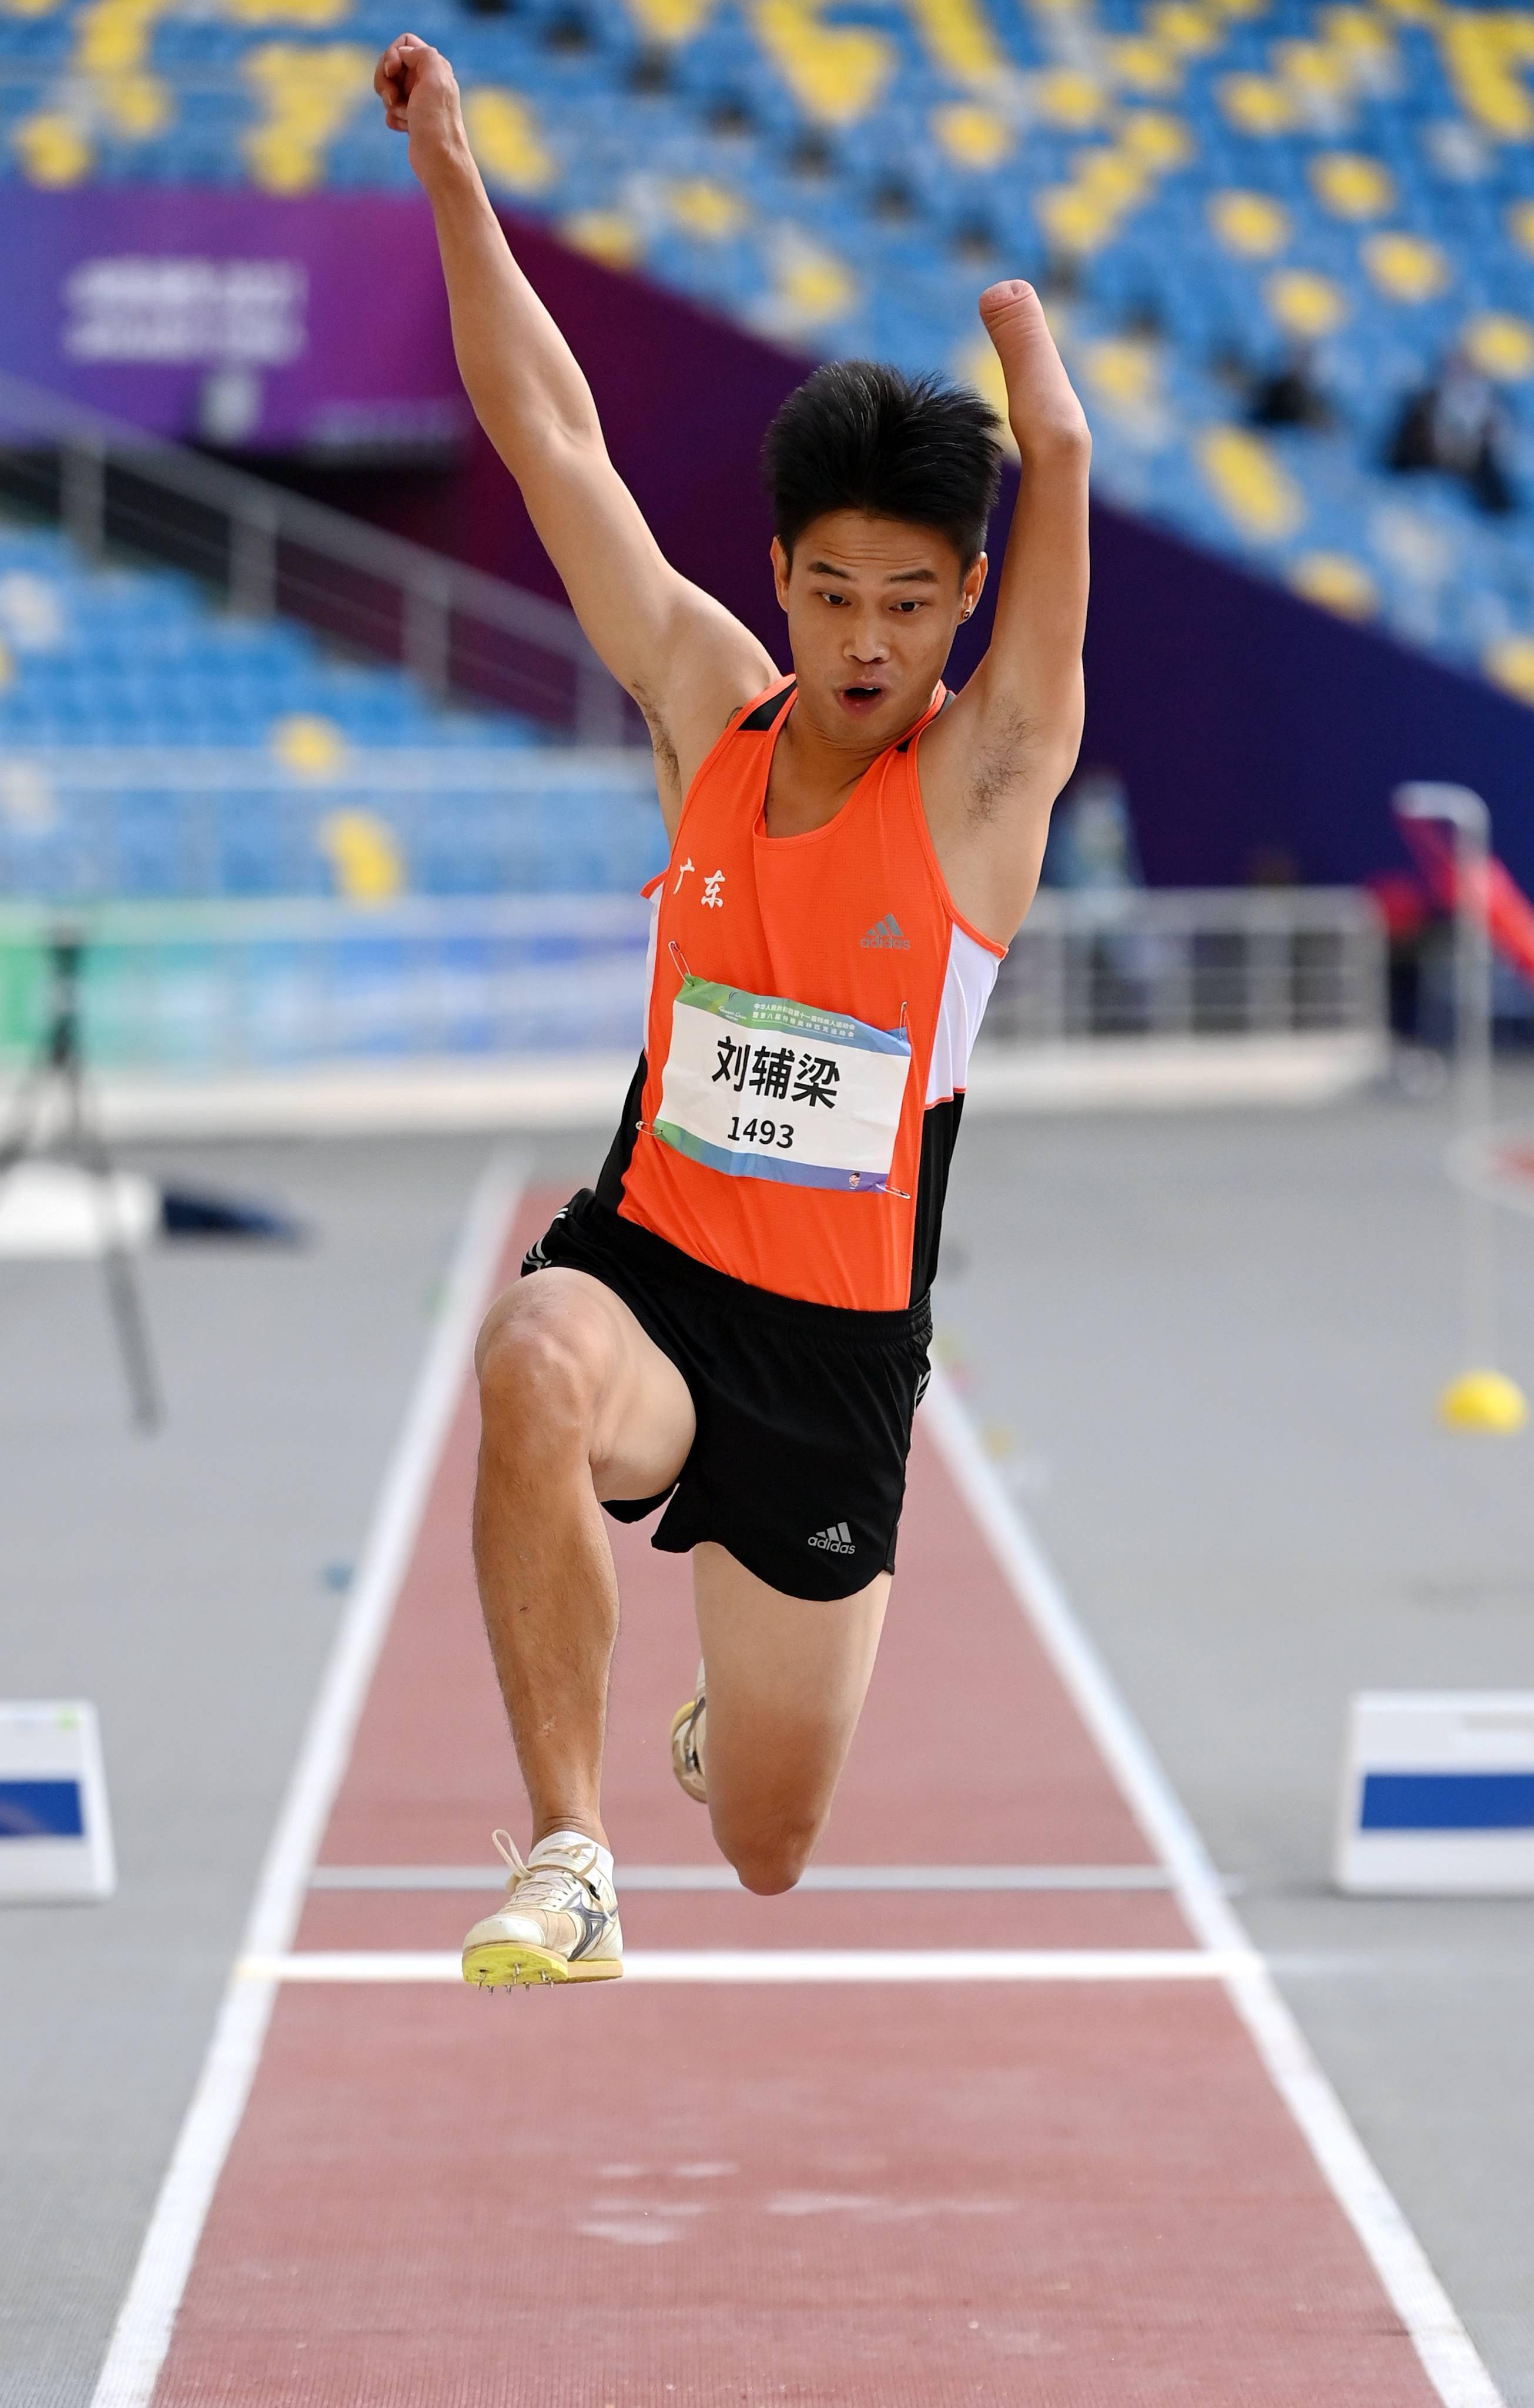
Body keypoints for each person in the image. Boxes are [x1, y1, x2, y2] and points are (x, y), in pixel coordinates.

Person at [374, 31, 1091, 1987]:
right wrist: (453, 177)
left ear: (958, 603)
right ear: (778, 577)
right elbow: (555, 441)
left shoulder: (971, 797)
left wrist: (1060, 428)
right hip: (656, 1276)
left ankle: (711, 1745)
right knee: (526, 1349)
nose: (869, 639)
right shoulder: (708, 704)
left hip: (835, 1364)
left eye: (914, 601)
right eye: (835, 590)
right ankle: (569, 1854)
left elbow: (1043, 658)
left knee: (771, 1845)